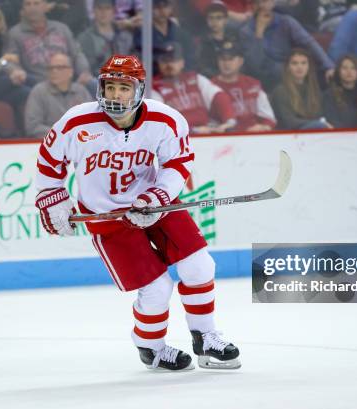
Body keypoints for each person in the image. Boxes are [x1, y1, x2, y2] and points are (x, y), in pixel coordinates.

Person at [34, 54, 241, 371]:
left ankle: (206, 336)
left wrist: (157, 196)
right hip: (108, 218)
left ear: (139, 89)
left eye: (123, 88)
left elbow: (176, 164)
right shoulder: (76, 122)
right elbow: (49, 162)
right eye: (110, 87)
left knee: (200, 266)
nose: (115, 95)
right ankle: (151, 347)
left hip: (156, 205)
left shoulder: (165, 120)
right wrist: (52, 197)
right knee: (157, 289)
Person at [240, 0, 334, 91]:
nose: (261, 6)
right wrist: (259, 34)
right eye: (257, 2)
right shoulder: (245, 31)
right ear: (252, 6)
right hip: (260, 76)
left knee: (314, 72)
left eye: (264, 1)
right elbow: (255, 65)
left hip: (286, 72)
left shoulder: (286, 22)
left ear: (272, 3)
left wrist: (328, 66)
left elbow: (309, 43)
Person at [152, 42, 236, 134]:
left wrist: (229, 121)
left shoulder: (195, 79)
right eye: (165, 61)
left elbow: (219, 96)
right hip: (178, 138)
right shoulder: (154, 86)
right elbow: (161, 121)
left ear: (182, 62)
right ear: (159, 63)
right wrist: (193, 130)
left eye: (173, 60)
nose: (169, 65)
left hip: (207, 130)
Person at [7, 0, 92, 87]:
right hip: (37, 85)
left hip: (69, 81)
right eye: (28, 4)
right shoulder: (15, 33)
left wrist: (84, 72)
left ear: (46, 7)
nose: (32, 8)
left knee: (95, 84)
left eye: (36, 3)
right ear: (23, 9)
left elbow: (77, 54)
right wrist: (15, 70)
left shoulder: (61, 28)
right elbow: (10, 60)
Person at [210, 40, 276, 132]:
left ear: (240, 61)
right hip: (223, 139)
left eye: (231, 59)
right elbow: (206, 120)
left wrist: (264, 127)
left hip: (253, 137)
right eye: (223, 59)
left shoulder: (253, 84)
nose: (226, 63)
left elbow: (269, 118)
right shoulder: (210, 86)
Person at [24, 53, 91, 138]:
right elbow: (33, 126)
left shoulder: (81, 91)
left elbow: (92, 120)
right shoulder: (39, 92)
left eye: (59, 68)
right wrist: (62, 134)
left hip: (80, 142)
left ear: (71, 71)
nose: (54, 71)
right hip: (48, 144)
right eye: (51, 68)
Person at [271, 48, 332, 130]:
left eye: (304, 63)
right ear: (288, 67)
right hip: (288, 136)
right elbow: (289, 122)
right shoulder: (280, 91)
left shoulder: (314, 90)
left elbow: (320, 116)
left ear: (308, 67)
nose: (299, 67)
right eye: (294, 63)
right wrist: (318, 123)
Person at [134, 0, 196, 71]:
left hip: (179, 76)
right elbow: (140, 60)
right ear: (150, 9)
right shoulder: (142, 33)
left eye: (165, 6)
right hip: (153, 78)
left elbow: (189, 57)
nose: (162, 11)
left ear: (170, 8)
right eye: (157, 7)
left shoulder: (180, 32)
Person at [77, 0, 133, 76]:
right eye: (99, 8)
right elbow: (88, 69)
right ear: (93, 11)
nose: (103, 12)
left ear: (114, 11)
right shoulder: (84, 38)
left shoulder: (125, 37)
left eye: (107, 8)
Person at [322, 53, 357, 128]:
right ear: (338, 71)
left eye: (353, 68)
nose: (349, 71)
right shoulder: (329, 95)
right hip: (339, 136)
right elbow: (331, 120)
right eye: (344, 68)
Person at [196, 1, 240, 78]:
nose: (214, 22)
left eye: (218, 18)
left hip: (235, 78)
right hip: (212, 81)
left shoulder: (235, 38)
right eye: (211, 18)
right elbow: (202, 67)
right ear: (207, 20)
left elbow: (242, 61)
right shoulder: (202, 41)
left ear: (226, 20)